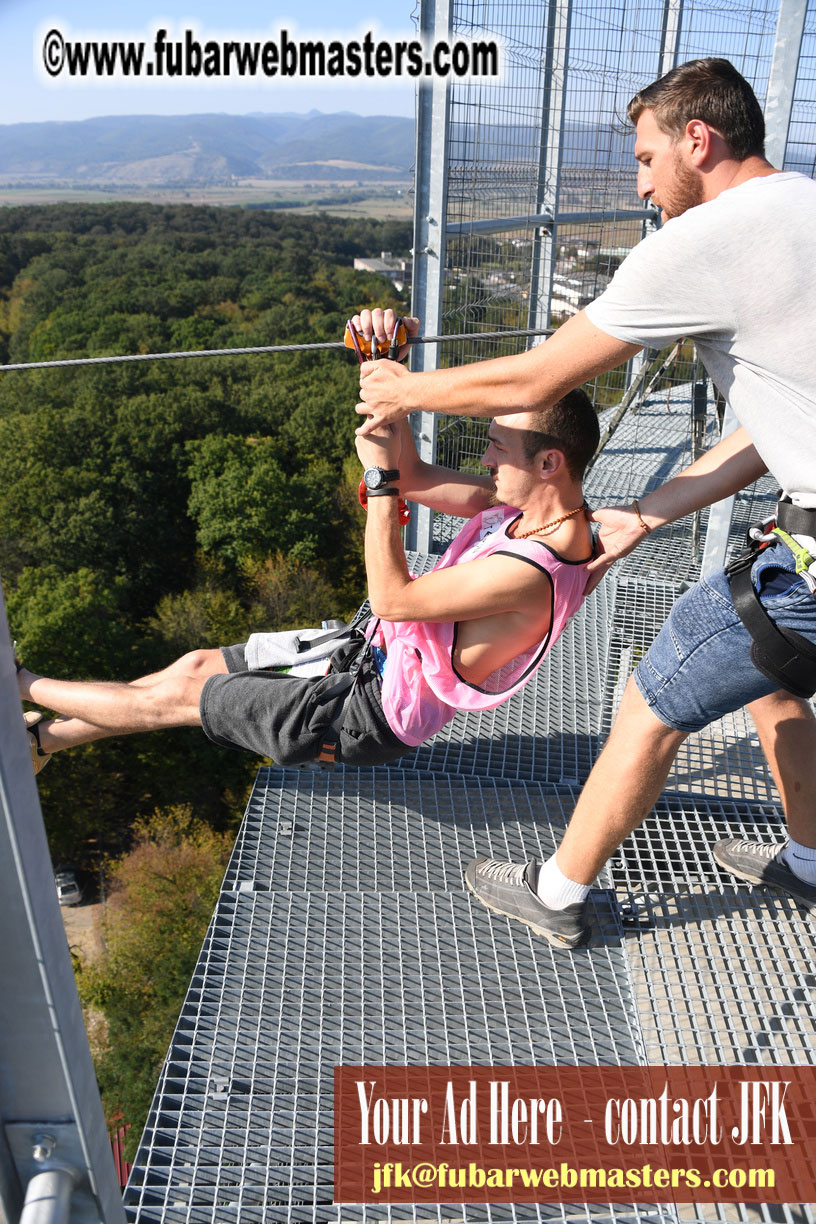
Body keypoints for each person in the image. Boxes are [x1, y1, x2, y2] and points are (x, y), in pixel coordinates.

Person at [352, 57, 816, 946]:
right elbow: (773, 427)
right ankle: (809, 859)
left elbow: (537, 378)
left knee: (652, 702)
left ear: (697, 140)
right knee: (772, 678)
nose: (641, 186)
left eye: (646, 159)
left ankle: (558, 893)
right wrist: (650, 512)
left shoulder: (706, 238)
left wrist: (406, 389)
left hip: (813, 567)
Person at [17, 390, 599, 778]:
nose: (487, 458)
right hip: (364, 655)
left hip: (366, 711)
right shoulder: (517, 510)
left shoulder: (532, 569)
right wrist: (386, 375)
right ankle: (44, 742)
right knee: (194, 665)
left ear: (549, 464)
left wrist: (379, 484)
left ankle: (17, 683)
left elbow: (394, 599)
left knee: (174, 700)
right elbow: (415, 473)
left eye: (498, 446)